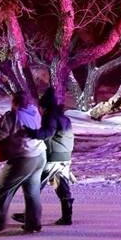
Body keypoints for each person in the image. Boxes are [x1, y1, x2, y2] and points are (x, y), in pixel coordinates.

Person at [0, 90, 46, 233]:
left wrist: (1, 123)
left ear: (14, 101)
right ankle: (33, 223)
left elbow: (2, 136)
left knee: (3, 189)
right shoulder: (35, 111)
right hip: (40, 155)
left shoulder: (13, 116)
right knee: (32, 192)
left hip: (23, 157)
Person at [13, 87, 75, 226]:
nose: (39, 111)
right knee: (62, 187)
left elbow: (48, 133)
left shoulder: (50, 116)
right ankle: (67, 217)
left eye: (41, 107)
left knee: (34, 185)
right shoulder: (65, 118)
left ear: (45, 107)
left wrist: (31, 132)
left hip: (54, 158)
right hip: (65, 158)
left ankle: (29, 216)